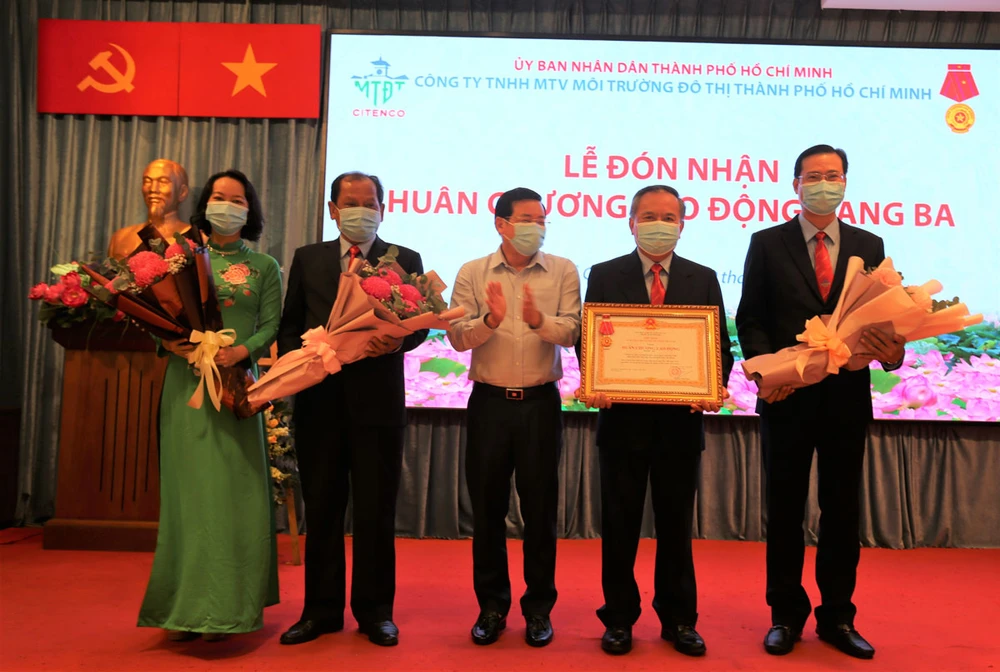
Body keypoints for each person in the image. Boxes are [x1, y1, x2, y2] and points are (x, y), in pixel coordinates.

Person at [736, 145, 906, 660]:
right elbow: (751, 318)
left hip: (845, 400)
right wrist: (767, 374)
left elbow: (886, 316)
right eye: (813, 176)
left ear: (845, 183)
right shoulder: (767, 242)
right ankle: (785, 615)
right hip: (787, 397)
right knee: (784, 510)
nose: (823, 184)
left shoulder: (868, 243)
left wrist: (894, 351)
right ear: (796, 185)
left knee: (842, 511)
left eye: (833, 175)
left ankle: (838, 616)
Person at [579, 185, 733, 656]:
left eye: (669, 217)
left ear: (682, 225)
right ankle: (618, 618)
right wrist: (594, 378)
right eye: (649, 216)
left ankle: (679, 619)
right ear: (631, 222)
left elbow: (719, 349)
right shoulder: (605, 274)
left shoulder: (703, 277)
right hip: (622, 425)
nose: (659, 224)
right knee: (619, 528)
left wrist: (712, 387)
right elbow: (590, 342)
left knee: (675, 530)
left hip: (679, 427)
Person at [277, 172, 427, 647]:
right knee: (322, 510)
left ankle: (376, 612)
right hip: (319, 403)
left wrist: (396, 342)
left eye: (370, 203)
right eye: (351, 203)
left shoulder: (404, 260)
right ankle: (320, 612)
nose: (361, 211)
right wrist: (304, 358)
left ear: (383, 208)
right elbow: (289, 325)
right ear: (333, 210)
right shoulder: (308, 258)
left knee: (376, 513)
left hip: (378, 406)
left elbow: (420, 326)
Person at [138, 169, 282, 640]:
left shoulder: (264, 266)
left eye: (237, 199)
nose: (227, 206)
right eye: (219, 197)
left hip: (235, 388)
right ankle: (185, 607)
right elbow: (159, 318)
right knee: (190, 497)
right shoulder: (178, 258)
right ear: (204, 204)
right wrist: (170, 343)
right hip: (187, 387)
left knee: (233, 496)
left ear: (249, 209)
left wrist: (242, 351)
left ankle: (228, 606)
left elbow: (271, 325)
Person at [447, 187, 581, 648]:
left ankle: (539, 610)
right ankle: (492, 607)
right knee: (487, 510)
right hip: (489, 404)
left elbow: (573, 331)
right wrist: (490, 321)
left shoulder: (562, 269)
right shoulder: (473, 272)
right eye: (527, 219)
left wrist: (538, 321)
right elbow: (457, 338)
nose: (536, 227)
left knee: (541, 511)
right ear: (501, 224)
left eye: (542, 220)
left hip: (540, 404)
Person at [108, 159, 193, 259]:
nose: (153, 189)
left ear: (182, 192)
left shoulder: (196, 238)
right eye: (147, 181)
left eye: (163, 182)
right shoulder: (121, 238)